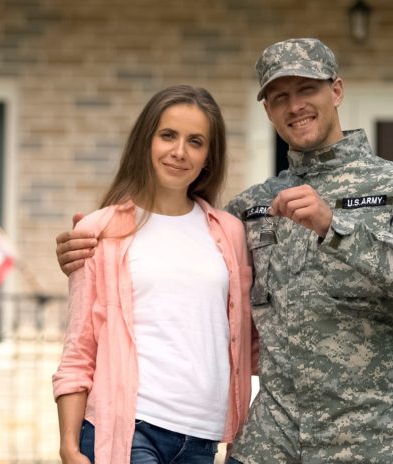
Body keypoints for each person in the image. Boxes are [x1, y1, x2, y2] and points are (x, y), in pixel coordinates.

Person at [55, 38, 393, 464]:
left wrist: (336, 228)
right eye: (279, 96)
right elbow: (185, 283)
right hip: (272, 441)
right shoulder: (248, 211)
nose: (295, 105)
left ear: (337, 91)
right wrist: (87, 254)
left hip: (376, 440)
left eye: (307, 89)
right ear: (268, 110)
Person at [51, 84, 256, 464]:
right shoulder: (100, 230)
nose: (180, 151)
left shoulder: (229, 232)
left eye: (195, 141)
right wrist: (68, 445)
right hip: (128, 428)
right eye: (168, 136)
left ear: (208, 157)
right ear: (146, 141)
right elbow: (79, 349)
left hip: (203, 436)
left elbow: (243, 336)